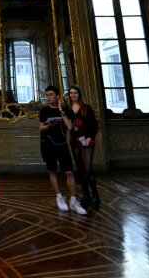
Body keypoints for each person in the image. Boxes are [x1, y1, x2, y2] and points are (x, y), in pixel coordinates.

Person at [39, 85, 86, 215]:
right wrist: (50, 125)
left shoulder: (65, 109)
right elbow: (41, 128)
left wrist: (61, 110)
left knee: (69, 172)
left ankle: (73, 200)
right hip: (48, 144)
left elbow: (70, 126)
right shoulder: (44, 110)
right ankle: (59, 196)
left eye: (51, 95)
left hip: (62, 144)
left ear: (57, 97)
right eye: (46, 95)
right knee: (52, 170)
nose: (48, 97)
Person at [67, 85, 100, 209]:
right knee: (80, 169)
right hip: (74, 140)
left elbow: (94, 125)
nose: (73, 95)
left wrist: (90, 137)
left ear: (79, 94)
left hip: (87, 139)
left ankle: (95, 197)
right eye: (71, 93)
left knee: (88, 169)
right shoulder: (68, 109)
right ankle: (86, 196)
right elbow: (68, 126)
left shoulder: (86, 108)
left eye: (75, 92)